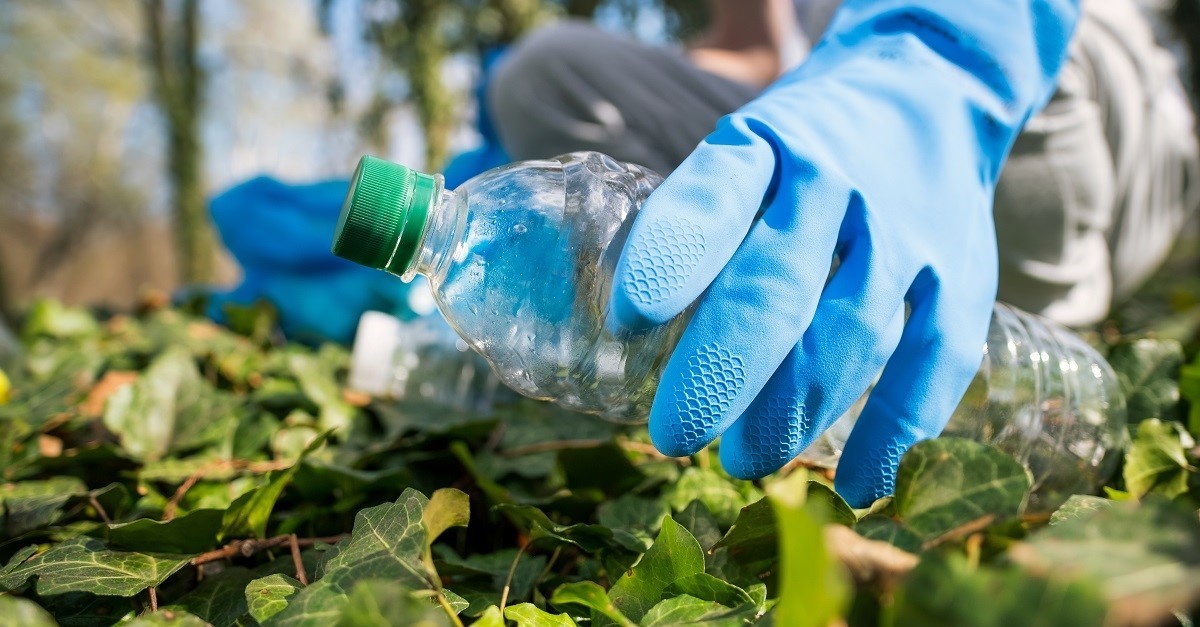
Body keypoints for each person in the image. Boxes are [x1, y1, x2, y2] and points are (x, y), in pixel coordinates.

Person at [485, 0, 1200, 506]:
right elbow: (751, 48)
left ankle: (997, 278)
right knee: (546, 73)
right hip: (842, 102)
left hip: (1059, 90)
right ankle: (828, 315)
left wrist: (935, 59)